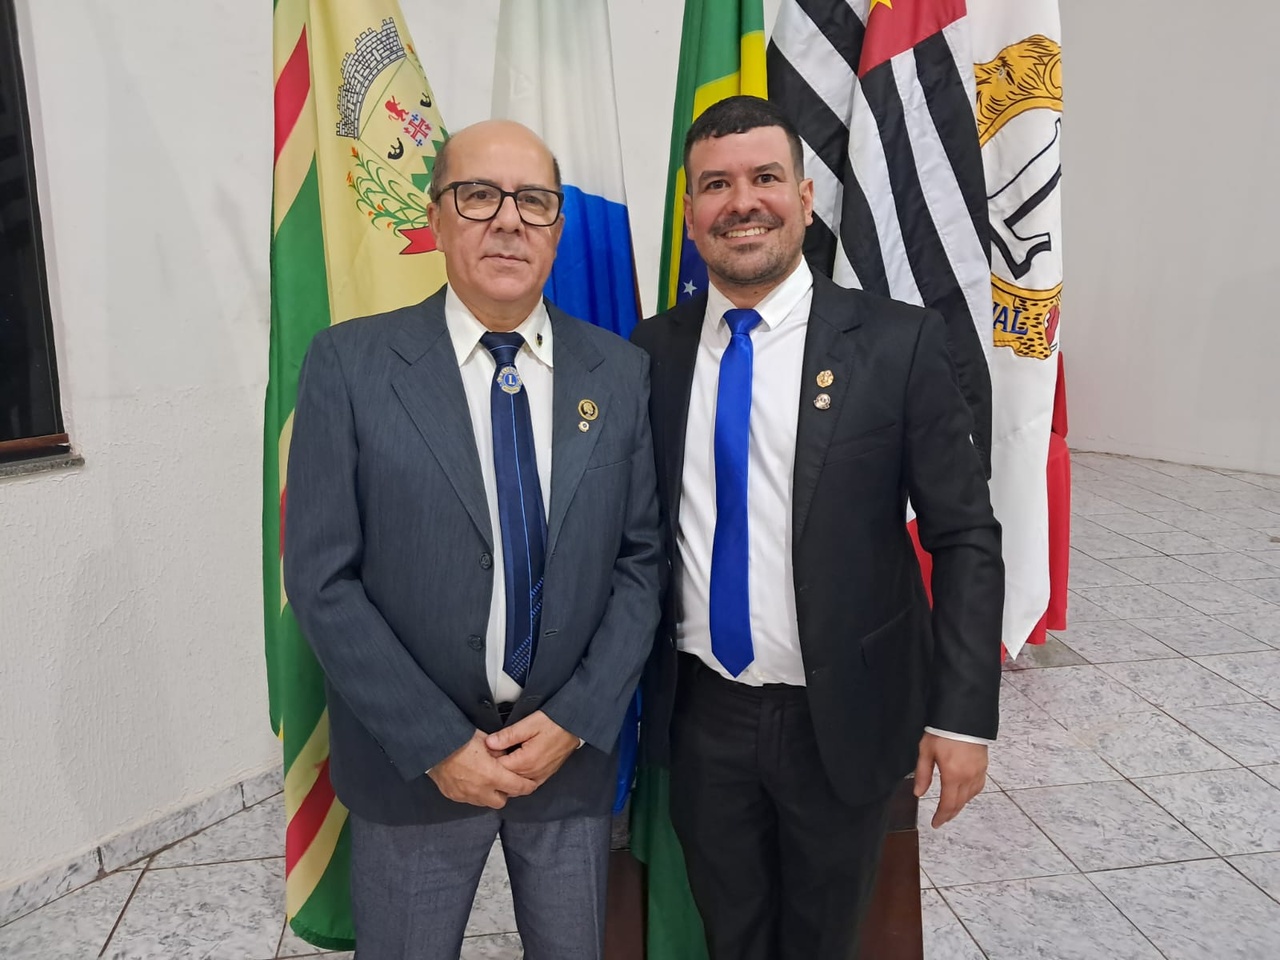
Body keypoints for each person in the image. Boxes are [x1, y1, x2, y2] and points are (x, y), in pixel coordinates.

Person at [631, 96, 1004, 960]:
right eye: (715, 185)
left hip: (843, 714)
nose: (742, 201)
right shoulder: (648, 355)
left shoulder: (899, 344)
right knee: (732, 935)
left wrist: (962, 717)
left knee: (824, 940)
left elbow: (966, 536)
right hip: (700, 714)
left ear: (804, 197)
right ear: (690, 217)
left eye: (765, 177)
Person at [284, 119, 662, 960]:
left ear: (559, 228)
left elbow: (641, 564)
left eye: (534, 200)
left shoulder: (620, 372)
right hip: (412, 765)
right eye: (478, 195)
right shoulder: (349, 365)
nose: (508, 220)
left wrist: (575, 717)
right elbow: (321, 578)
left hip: (565, 760)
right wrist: (437, 743)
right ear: (438, 219)